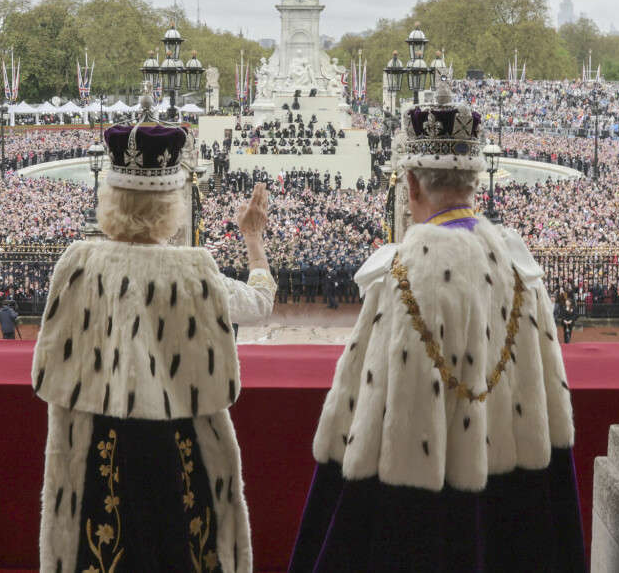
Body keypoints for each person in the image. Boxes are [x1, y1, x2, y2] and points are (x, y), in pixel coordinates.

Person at [288, 81, 585, 571]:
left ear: (411, 184)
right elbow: (551, 407)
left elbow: (370, 414)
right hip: (513, 500)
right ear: (474, 181)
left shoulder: (402, 274)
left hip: (420, 507)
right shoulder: (520, 268)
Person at [31, 114, 275, 573]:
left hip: (93, 446)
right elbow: (260, 302)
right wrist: (253, 238)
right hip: (177, 447)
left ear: (111, 198)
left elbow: (48, 370)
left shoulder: (76, 263)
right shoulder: (195, 271)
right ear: (172, 204)